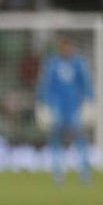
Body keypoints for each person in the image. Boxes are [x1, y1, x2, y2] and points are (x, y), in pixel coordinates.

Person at [36, 34, 94, 184]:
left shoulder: (79, 63)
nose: (66, 49)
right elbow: (46, 86)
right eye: (63, 46)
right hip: (57, 108)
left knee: (80, 137)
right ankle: (57, 172)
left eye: (68, 46)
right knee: (56, 139)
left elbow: (86, 85)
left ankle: (84, 172)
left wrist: (88, 102)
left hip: (74, 107)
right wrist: (44, 104)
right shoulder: (52, 64)